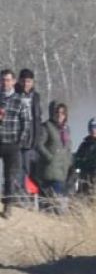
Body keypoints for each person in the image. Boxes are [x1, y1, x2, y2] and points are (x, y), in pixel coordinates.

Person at [31, 101, 73, 213]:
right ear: (52, 113)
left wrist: (69, 162)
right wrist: (49, 157)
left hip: (62, 171)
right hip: (48, 171)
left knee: (58, 204)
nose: (60, 115)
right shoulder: (46, 127)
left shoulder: (66, 129)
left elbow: (68, 148)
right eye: (57, 112)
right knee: (48, 203)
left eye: (63, 113)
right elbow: (39, 144)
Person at [0, 69, 32, 216]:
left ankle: (8, 206)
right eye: (2, 80)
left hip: (12, 143)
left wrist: (20, 141)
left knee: (9, 176)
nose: (5, 83)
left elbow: (26, 122)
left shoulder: (20, 100)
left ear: (13, 82)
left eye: (7, 80)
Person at [13, 71, 44, 199]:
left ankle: (23, 193)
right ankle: (15, 193)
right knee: (16, 167)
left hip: (31, 139)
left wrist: (38, 136)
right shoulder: (14, 95)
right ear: (19, 81)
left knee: (27, 168)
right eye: (24, 81)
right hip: (16, 137)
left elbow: (38, 117)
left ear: (33, 82)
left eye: (29, 81)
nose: (26, 84)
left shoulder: (35, 96)